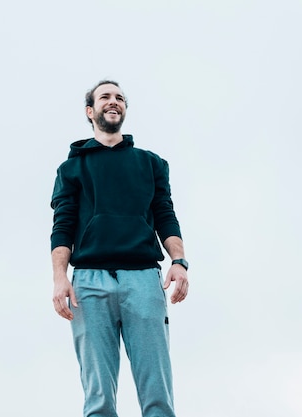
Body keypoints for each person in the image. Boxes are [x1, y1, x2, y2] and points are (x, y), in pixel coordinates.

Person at [50, 80, 189, 417]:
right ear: (90, 111)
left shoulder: (151, 163)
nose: (113, 102)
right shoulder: (71, 169)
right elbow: (63, 226)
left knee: (157, 391)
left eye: (120, 98)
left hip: (142, 279)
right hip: (88, 283)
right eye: (105, 97)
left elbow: (164, 214)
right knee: (98, 396)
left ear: (124, 109)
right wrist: (59, 278)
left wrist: (179, 261)